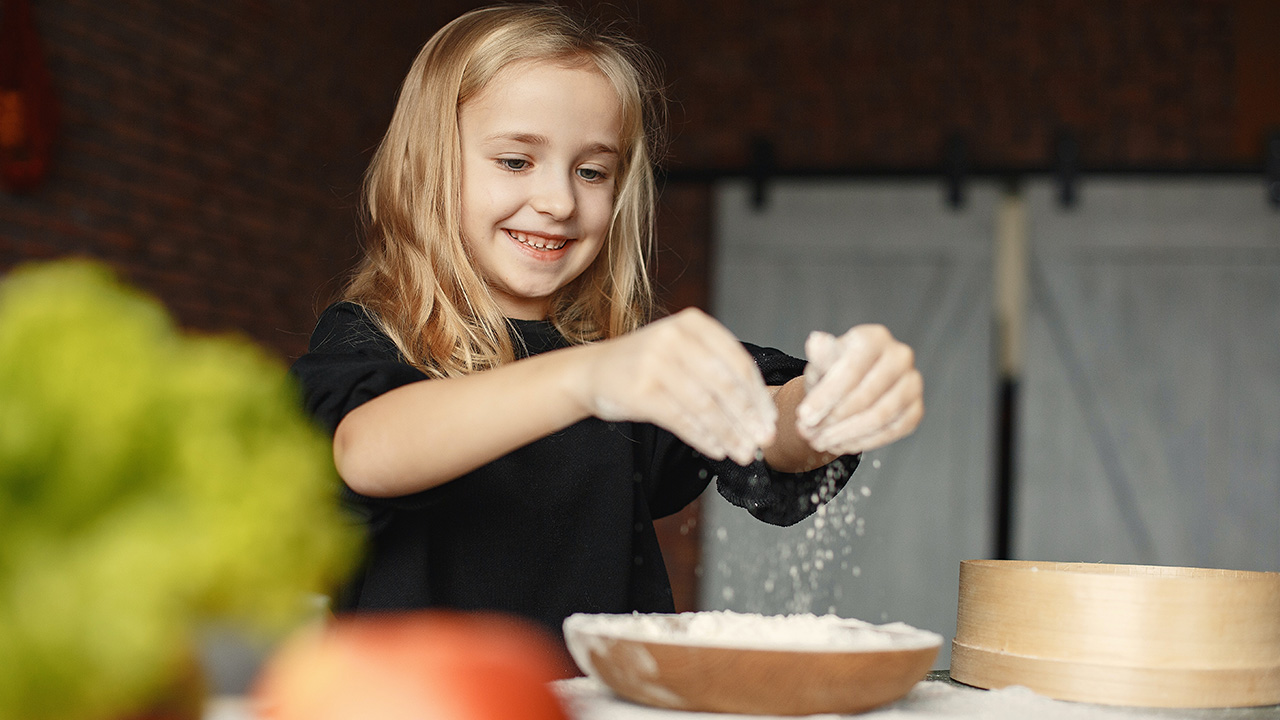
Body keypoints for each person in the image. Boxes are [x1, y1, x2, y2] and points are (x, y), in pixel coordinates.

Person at [290, 3, 923, 638]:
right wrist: (591, 378)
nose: (559, 201)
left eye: (592, 172)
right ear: (426, 167)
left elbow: (765, 423)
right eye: (515, 161)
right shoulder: (370, 337)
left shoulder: (627, 362)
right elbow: (365, 453)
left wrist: (829, 400)